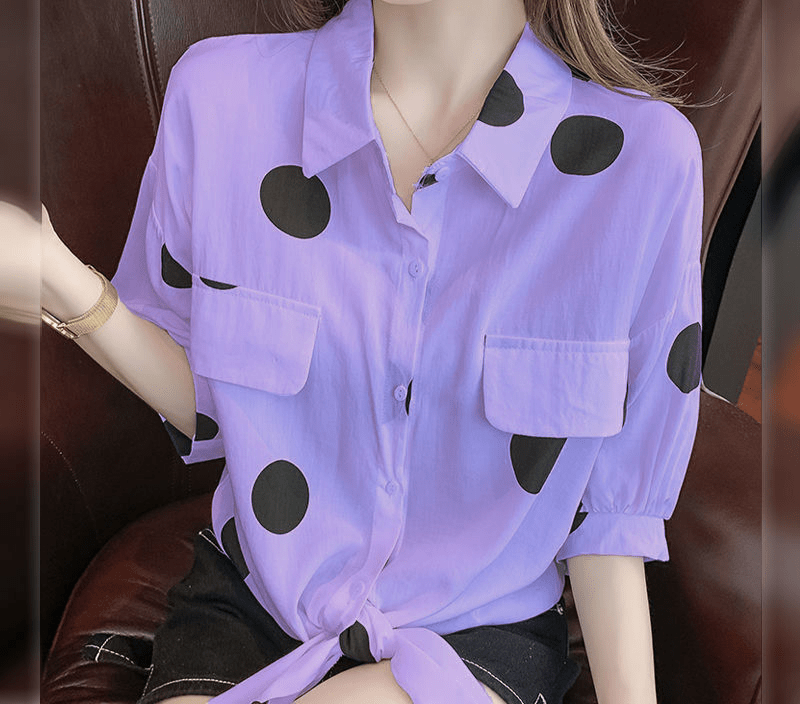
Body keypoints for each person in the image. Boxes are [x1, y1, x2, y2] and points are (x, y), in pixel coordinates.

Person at [28, 0, 705, 702]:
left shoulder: (644, 164)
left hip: (477, 631)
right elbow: (216, 403)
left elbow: (613, 516)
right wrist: (58, 279)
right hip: (256, 601)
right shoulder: (222, 98)